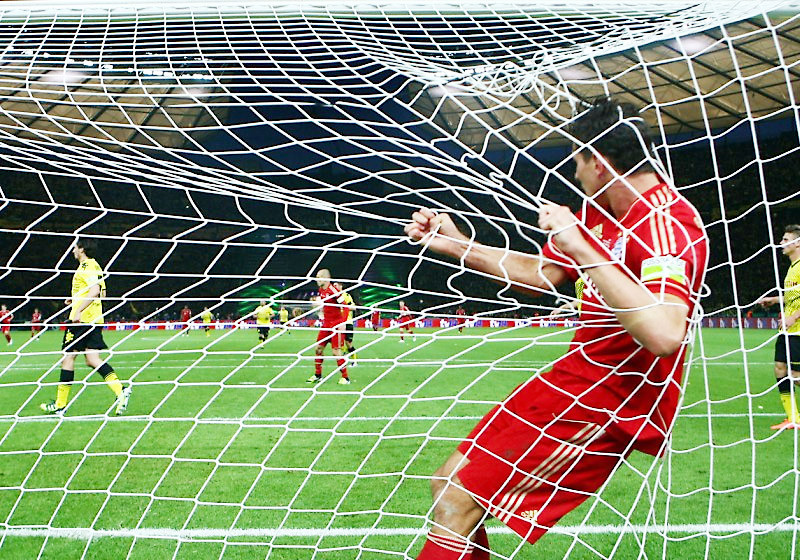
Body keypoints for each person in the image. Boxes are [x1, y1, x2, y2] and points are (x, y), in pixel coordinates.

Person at [403, 97, 708, 558]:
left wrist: (585, 250)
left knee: (458, 499)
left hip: (614, 399)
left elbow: (665, 334)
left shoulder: (668, 224)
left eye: (577, 162)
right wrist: (456, 246)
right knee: (448, 482)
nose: (575, 175)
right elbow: (544, 274)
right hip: (577, 376)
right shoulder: (603, 214)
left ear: (600, 162)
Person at [40, 238, 131, 415]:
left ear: (81, 249)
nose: (73, 250)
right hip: (95, 320)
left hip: (81, 321)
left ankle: (60, 404)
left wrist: (78, 310)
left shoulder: (86, 266)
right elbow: (102, 294)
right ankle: (121, 391)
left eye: (75, 247)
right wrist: (74, 301)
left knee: (68, 357)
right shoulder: (96, 266)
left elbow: (95, 291)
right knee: (92, 359)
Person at [757, 224, 800, 430]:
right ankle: (793, 418)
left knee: (795, 375)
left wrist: (794, 317)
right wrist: (775, 300)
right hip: (788, 329)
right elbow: (793, 296)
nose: (781, 243)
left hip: (798, 329)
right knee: (780, 369)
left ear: (797, 242)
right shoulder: (793, 267)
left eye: (785, 239)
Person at [307, 269, 350, 385]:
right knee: (318, 349)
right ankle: (318, 375)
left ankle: (345, 377)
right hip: (326, 324)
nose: (316, 279)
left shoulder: (333, 290)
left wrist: (343, 323)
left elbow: (345, 307)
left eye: (318, 277)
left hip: (336, 324)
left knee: (336, 352)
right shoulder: (321, 290)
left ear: (324, 278)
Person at [334, 282, 359, 366]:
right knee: (339, 343)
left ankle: (354, 360)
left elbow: (354, 307)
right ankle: (343, 359)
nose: (334, 287)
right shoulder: (333, 297)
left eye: (336, 285)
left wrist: (344, 307)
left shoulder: (346, 296)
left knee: (348, 343)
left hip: (347, 322)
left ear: (340, 286)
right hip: (338, 323)